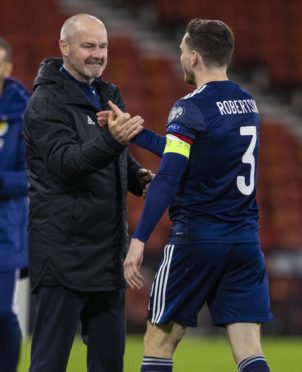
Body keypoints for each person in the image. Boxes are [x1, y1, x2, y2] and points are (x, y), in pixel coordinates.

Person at [106, 19, 273, 372]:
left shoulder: (190, 107)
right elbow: (193, 149)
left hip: (195, 242)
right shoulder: (248, 103)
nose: (180, 56)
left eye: (182, 50)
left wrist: (138, 240)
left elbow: (168, 175)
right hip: (244, 243)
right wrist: (134, 132)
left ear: (194, 57)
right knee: (249, 350)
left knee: (158, 342)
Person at [23, 14, 152, 372]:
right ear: (64, 47)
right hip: (63, 253)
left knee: (110, 363)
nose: (98, 54)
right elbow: (65, 164)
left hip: (106, 254)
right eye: (88, 46)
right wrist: (113, 142)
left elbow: (116, 154)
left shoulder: (108, 93)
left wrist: (136, 176)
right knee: (50, 362)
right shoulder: (45, 103)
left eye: (103, 46)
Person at [0, 37, 29, 372]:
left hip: (5, 231)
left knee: (1, 311)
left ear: (7, 68)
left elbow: (35, 174)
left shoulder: (22, 111)